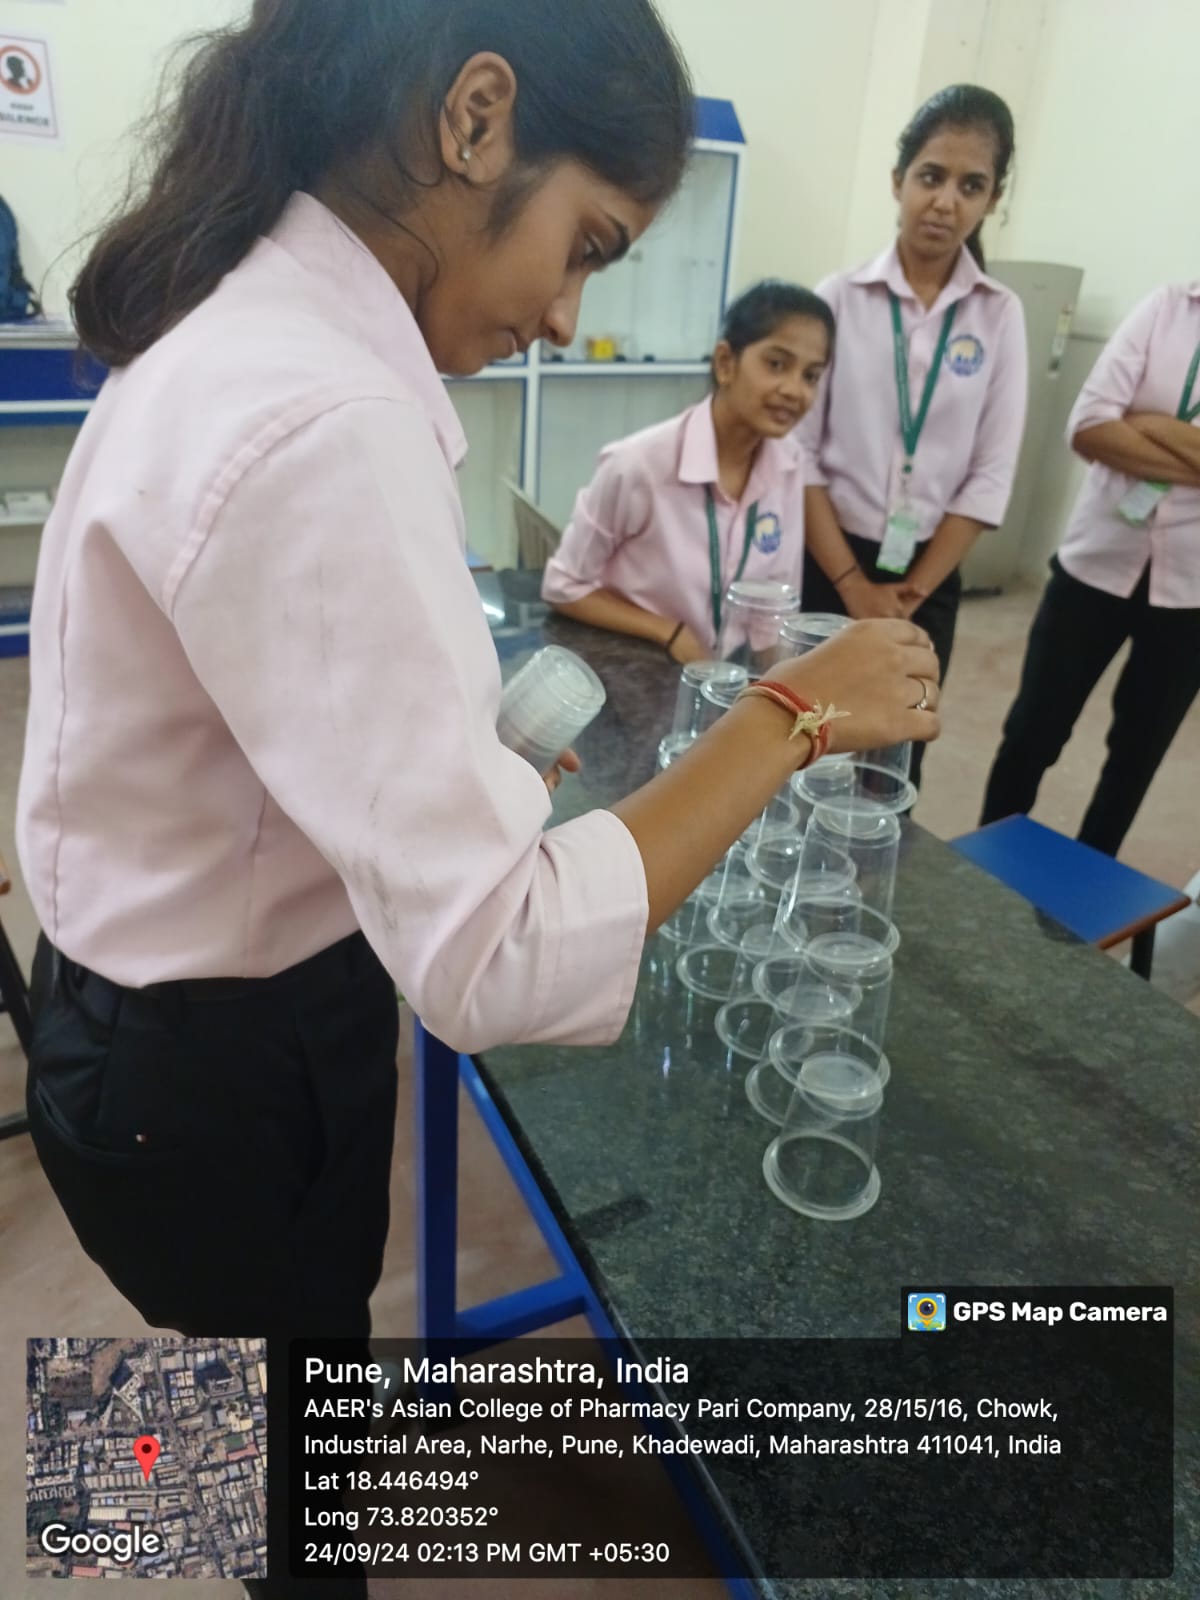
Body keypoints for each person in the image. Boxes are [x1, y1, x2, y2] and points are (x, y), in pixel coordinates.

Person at [16, 3, 939, 1592]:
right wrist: (794, 711)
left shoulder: (241, 328)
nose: (571, 317)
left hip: (138, 1023)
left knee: (269, 1385)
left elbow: (247, 710)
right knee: (287, 1422)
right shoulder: (325, 419)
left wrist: (458, 755)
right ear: (474, 119)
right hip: (213, 1068)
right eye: (583, 245)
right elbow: (491, 958)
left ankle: (199, 1517)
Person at [797, 83, 1028, 788]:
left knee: (897, 756)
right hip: (830, 560)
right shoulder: (838, 299)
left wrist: (908, 592)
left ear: (992, 199)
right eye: (931, 177)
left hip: (929, 576)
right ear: (898, 181)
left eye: (971, 185)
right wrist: (853, 586)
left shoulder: (999, 314)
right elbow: (798, 453)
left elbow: (990, 475)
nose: (945, 201)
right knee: (808, 737)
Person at [980, 281, 1200, 855]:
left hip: (1192, 593)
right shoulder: (1166, 308)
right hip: (1096, 564)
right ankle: (983, 870)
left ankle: (1085, 896)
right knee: (1032, 732)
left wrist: (1148, 422)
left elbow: (1118, 425)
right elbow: (1090, 427)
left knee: (1136, 756)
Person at [541, 280, 833, 662]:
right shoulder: (639, 466)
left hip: (715, 674)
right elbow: (563, 585)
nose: (795, 390)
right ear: (726, 363)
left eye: (811, 376)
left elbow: (775, 607)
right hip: (633, 667)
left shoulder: (790, 465)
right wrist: (669, 632)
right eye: (776, 364)